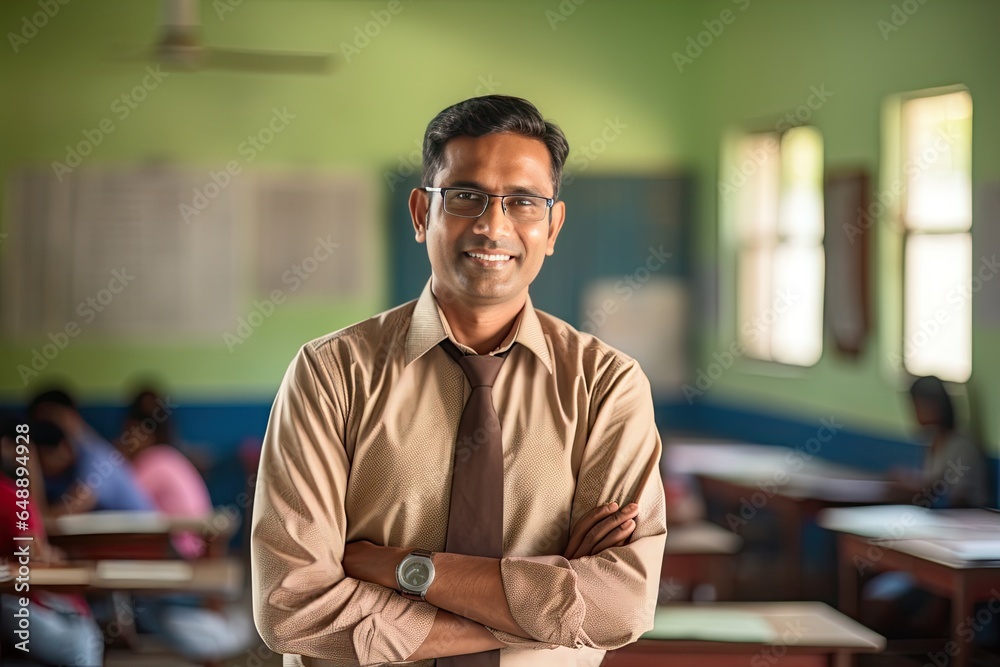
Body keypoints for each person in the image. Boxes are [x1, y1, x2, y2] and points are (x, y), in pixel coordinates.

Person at [251, 95, 667, 666]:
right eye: (467, 196)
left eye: (522, 202)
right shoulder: (330, 374)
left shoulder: (606, 385)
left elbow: (620, 607)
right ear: (423, 214)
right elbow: (292, 609)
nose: (493, 225)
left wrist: (400, 569)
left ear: (552, 225)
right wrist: (548, 606)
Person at [0, 420, 104, 666]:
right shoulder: (11, 498)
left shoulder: (14, 497)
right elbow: (37, 555)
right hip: (19, 604)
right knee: (85, 642)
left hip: (15, 604)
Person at [28, 389, 154, 515]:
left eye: (53, 417)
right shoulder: (76, 456)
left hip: (141, 532)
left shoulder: (95, 454)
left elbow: (71, 508)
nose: (48, 429)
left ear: (71, 416)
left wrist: (31, 468)